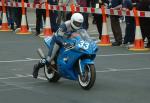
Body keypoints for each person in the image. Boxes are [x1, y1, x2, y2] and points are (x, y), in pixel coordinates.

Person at [32, 13, 90, 78]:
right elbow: (59, 36)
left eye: (79, 23)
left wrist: (88, 41)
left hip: (70, 41)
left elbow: (84, 35)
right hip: (57, 41)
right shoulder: (65, 25)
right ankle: (37, 66)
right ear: (72, 20)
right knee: (49, 59)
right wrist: (64, 43)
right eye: (76, 23)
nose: (78, 25)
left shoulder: (80, 27)